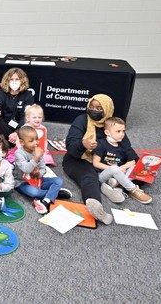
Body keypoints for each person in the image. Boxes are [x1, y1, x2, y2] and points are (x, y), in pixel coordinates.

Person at [63, 94, 128, 225]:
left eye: (99, 108)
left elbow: (125, 148)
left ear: (107, 109)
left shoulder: (113, 124)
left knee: (124, 171)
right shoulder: (82, 120)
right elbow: (71, 148)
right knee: (88, 177)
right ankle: (96, 206)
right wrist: (83, 144)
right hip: (78, 159)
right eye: (91, 107)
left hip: (103, 162)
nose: (94, 110)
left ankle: (105, 186)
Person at [92, 117, 152, 204]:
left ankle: (117, 184)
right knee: (114, 168)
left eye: (123, 131)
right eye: (118, 131)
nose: (122, 134)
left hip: (118, 174)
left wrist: (123, 167)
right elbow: (96, 163)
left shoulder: (123, 145)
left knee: (135, 167)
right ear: (107, 132)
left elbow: (133, 161)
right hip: (103, 175)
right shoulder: (101, 144)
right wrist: (114, 169)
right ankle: (133, 189)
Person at [14, 126, 70, 215]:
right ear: (22, 142)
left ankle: (46, 200)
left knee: (58, 180)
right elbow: (26, 169)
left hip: (37, 180)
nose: (35, 143)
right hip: (22, 182)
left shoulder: (38, 151)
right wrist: (36, 157)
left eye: (36, 139)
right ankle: (54, 193)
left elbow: (43, 168)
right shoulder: (19, 153)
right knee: (34, 192)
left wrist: (38, 173)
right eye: (31, 141)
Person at [0, 68, 34, 147]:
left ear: (22, 81)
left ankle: (8, 140)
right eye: (11, 79)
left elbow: (25, 117)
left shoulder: (28, 95)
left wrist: (17, 132)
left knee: (29, 122)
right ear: (7, 80)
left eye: (17, 79)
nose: (14, 81)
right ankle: (13, 140)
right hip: (6, 124)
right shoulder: (1, 93)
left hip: (20, 125)